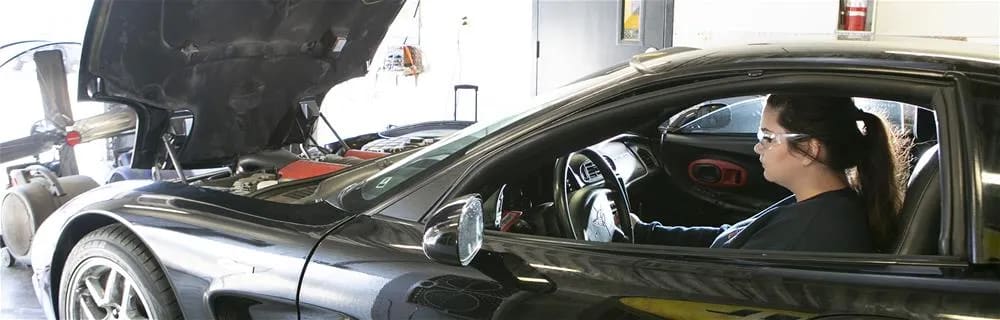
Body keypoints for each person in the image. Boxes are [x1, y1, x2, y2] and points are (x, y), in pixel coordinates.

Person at [631, 94, 909, 253]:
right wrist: (642, 232)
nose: (757, 146)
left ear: (809, 148)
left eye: (767, 137)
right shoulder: (824, 204)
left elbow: (717, 283)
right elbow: (732, 236)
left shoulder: (812, 233)